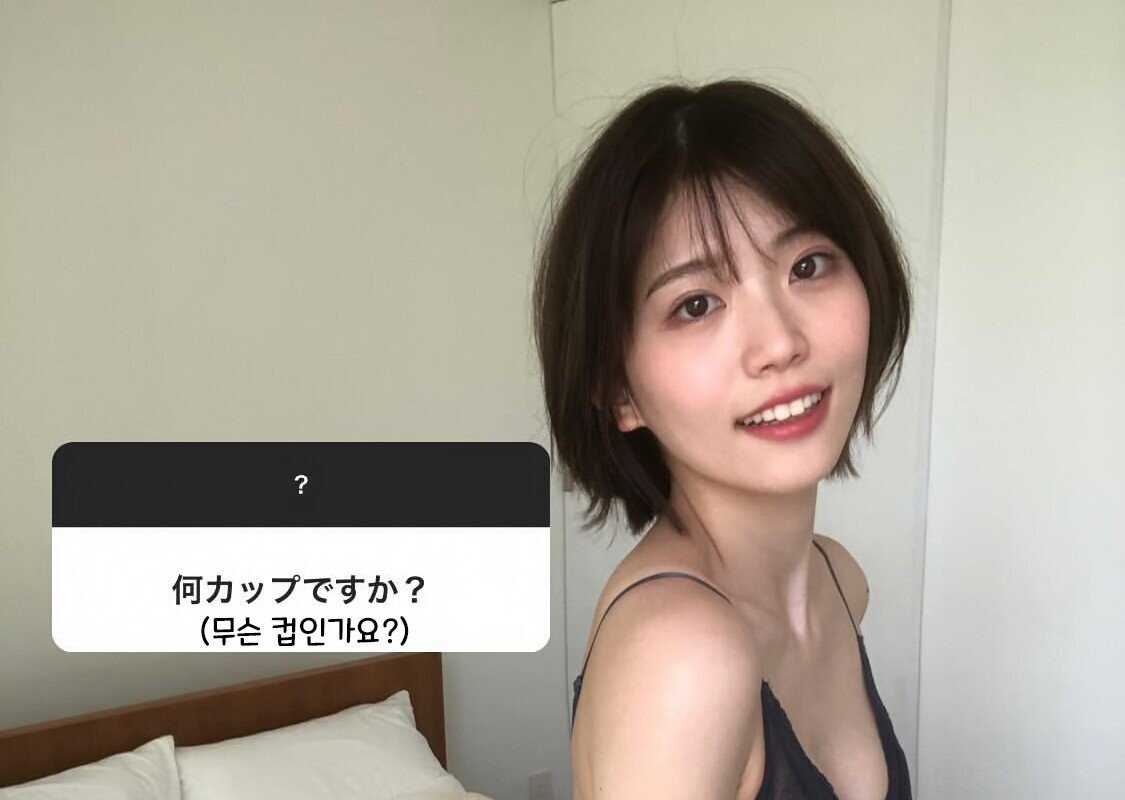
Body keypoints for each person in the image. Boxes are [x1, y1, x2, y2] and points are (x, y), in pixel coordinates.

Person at [531, 79, 914, 799]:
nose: (779, 343)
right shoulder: (680, 657)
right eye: (696, 304)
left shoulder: (839, 581)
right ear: (616, 390)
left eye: (807, 266)